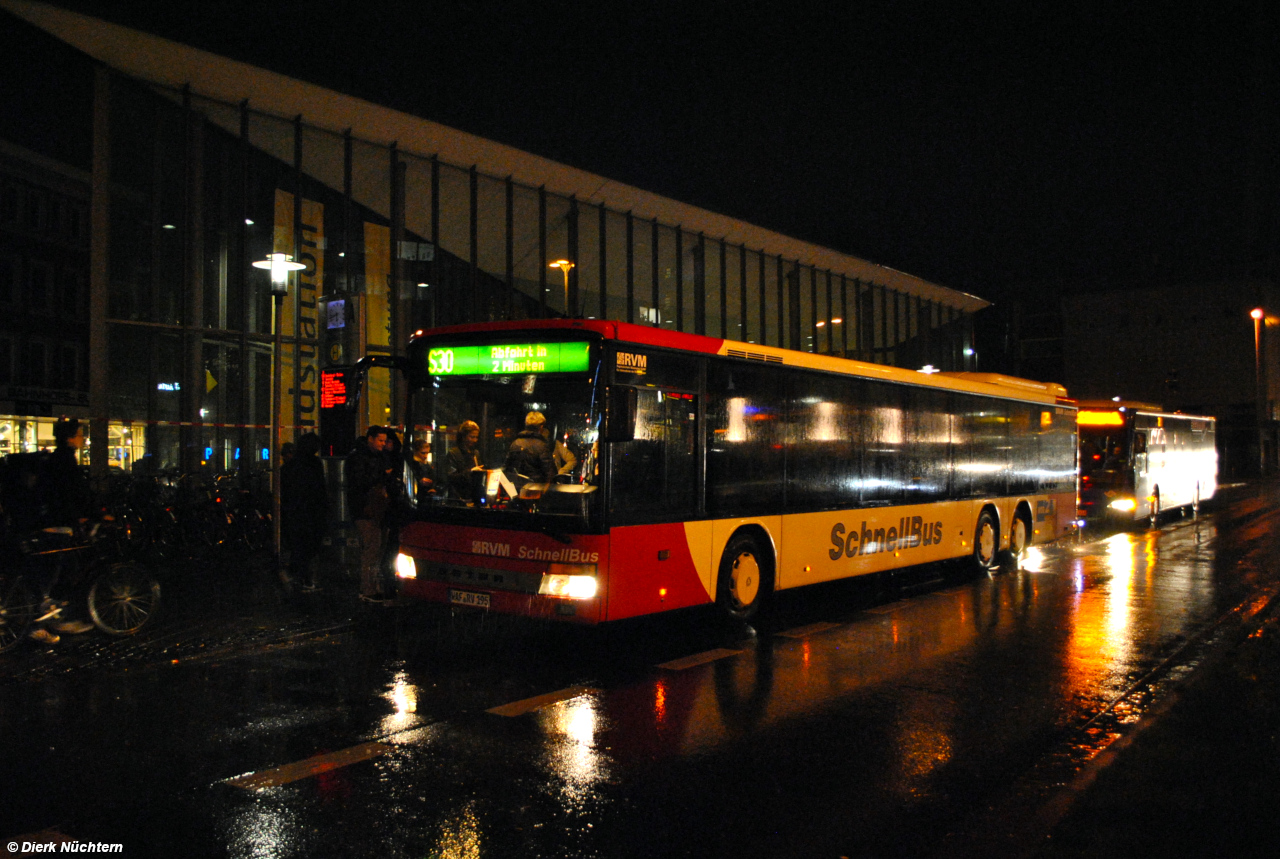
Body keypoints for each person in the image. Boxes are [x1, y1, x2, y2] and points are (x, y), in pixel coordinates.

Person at [30, 418, 95, 643]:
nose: (82, 438)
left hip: (50, 521)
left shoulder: (56, 459)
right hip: (56, 523)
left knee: (60, 570)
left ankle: (55, 616)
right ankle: (39, 623)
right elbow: (73, 493)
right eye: (79, 434)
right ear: (70, 438)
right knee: (58, 572)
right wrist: (92, 513)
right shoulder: (65, 460)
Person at [347, 425, 395, 604]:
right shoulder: (358, 457)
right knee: (372, 548)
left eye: (385, 441)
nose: (383, 444)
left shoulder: (378, 456)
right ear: (370, 439)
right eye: (380, 440)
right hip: (365, 509)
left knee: (377, 548)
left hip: (377, 509)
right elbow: (359, 482)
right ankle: (368, 588)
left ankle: (373, 586)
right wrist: (382, 476)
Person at [281, 432, 329, 592]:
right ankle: (304, 578)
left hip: (295, 511)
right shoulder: (314, 464)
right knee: (310, 546)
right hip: (311, 512)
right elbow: (319, 489)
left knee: (299, 546)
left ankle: (299, 577)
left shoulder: (290, 465)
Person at [504, 411, 556, 489]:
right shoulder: (541, 445)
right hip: (536, 489)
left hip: (517, 488)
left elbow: (508, 467)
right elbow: (549, 472)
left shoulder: (515, 443)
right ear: (541, 427)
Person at [447, 420, 483, 503]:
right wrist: (470, 472)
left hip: (473, 497)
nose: (475, 440)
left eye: (476, 437)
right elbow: (451, 477)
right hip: (458, 498)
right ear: (463, 436)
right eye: (472, 437)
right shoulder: (454, 453)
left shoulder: (475, 453)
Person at [407, 438, 436, 503]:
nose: (425, 456)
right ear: (415, 451)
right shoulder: (412, 464)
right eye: (423, 453)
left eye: (427, 453)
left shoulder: (426, 464)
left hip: (426, 495)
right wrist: (419, 481)